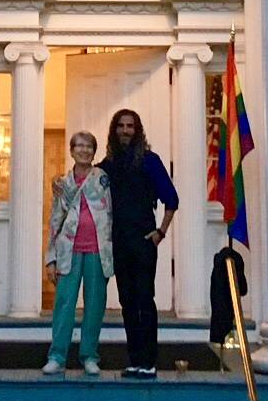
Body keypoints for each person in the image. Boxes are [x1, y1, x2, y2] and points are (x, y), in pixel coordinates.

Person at [101, 108, 178, 378]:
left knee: (145, 299)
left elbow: (172, 199)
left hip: (144, 242)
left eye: (130, 126)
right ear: (114, 130)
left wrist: (161, 232)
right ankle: (134, 360)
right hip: (119, 244)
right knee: (126, 301)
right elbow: (85, 186)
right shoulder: (107, 165)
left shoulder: (149, 161)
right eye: (121, 126)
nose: (125, 130)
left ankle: (149, 361)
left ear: (137, 130)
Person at [43, 131, 113, 377]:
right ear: (71, 150)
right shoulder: (62, 183)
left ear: (95, 152)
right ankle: (56, 356)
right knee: (64, 304)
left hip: (98, 251)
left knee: (95, 305)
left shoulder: (104, 177)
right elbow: (55, 220)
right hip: (68, 251)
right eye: (79, 146)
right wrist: (50, 259)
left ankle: (89, 356)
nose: (84, 150)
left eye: (89, 147)